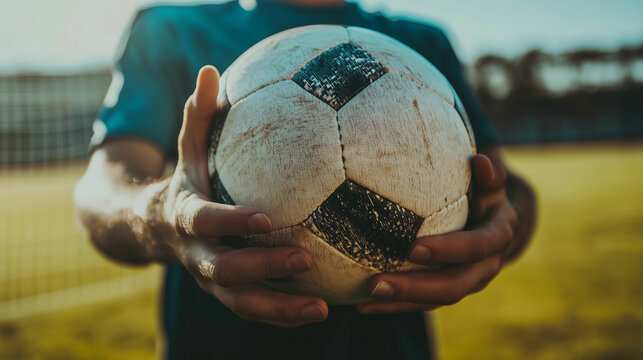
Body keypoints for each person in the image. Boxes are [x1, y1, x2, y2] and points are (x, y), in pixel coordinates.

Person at [74, 0, 536, 359]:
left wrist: (503, 225)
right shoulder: (169, 32)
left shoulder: (421, 44)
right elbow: (103, 190)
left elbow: (505, 187)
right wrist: (162, 215)